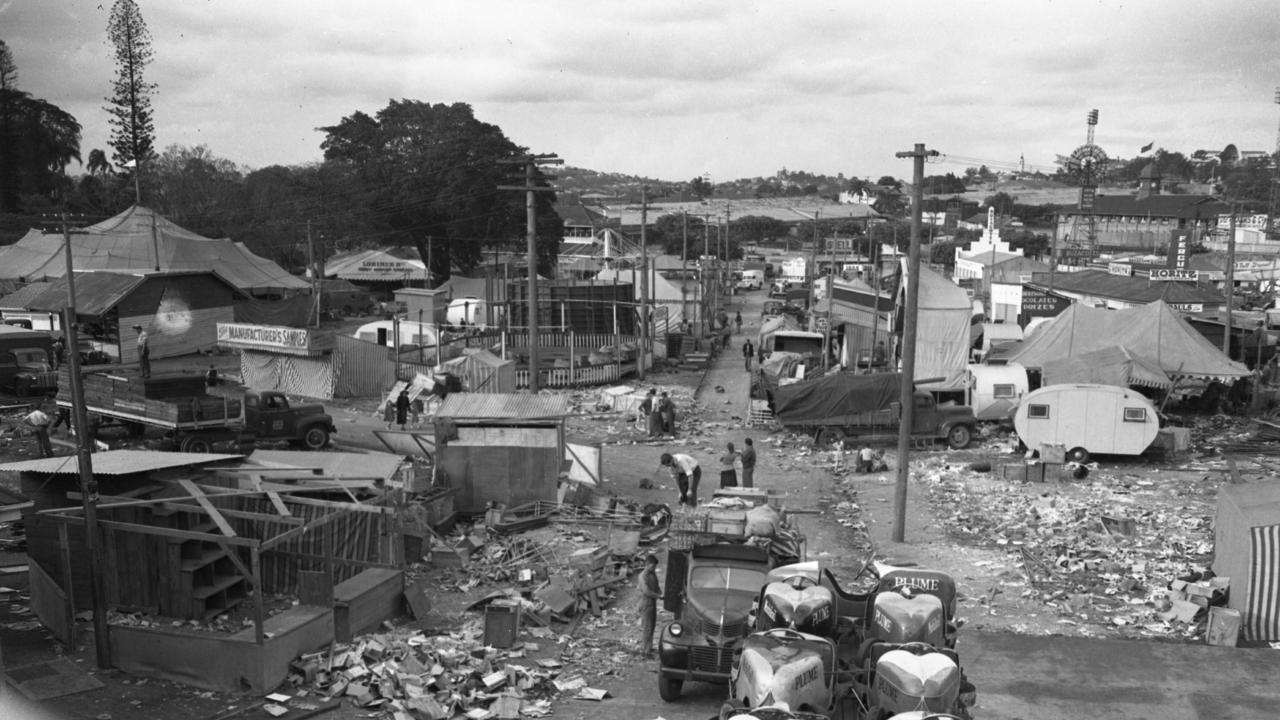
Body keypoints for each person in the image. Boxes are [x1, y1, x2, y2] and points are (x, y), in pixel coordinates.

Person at [636, 553, 662, 656]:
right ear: (647, 564)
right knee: (647, 627)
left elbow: (657, 585)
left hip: (652, 603)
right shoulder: (642, 576)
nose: (654, 568)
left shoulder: (653, 573)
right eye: (653, 565)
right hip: (646, 604)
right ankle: (645, 650)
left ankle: (649, 647)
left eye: (655, 566)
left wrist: (660, 593)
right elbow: (646, 591)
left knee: (652, 626)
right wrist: (658, 596)